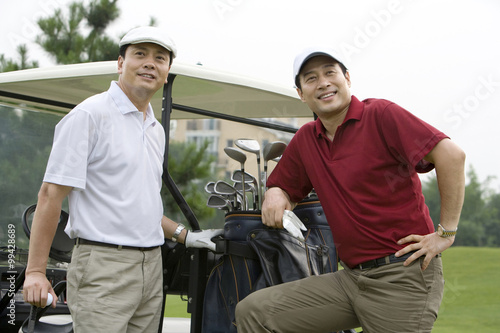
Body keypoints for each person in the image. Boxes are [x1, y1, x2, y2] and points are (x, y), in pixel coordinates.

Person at [235, 46, 466, 333]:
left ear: (347, 78)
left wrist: (446, 233)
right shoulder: (307, 138)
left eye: (330, 73)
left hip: (402, 276)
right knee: (254, 312)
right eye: (311, 78)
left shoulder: (381, 114)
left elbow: (452, 156)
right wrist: (275, 193)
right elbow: (285, 185)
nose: (323, 83)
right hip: (350, 280)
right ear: (301, 93)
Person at [22, 26, 222, 332]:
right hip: (103, 265)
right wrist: (35, 270)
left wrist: (184, 235)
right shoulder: (90, 115)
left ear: (167, 72)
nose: (150, 63)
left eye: (160, 58)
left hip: (151, 267)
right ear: (120, 63)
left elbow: (140, 205)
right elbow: (50, 194)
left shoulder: (155, 129)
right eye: (139, 54)